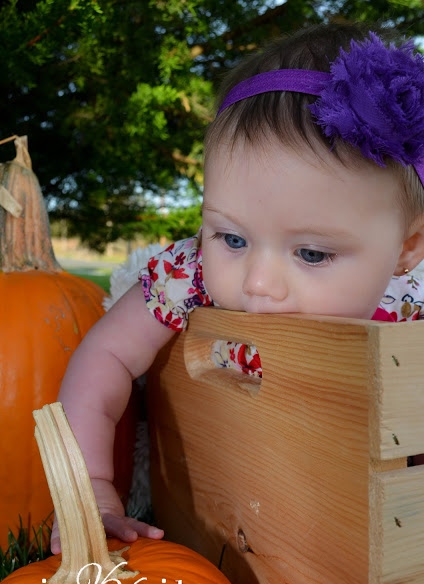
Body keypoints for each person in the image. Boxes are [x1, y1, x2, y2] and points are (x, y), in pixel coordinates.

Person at [53, 22, 424, 553]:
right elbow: (103, 355)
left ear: (408, 248)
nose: (258, 283)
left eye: (312, 253)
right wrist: (89, 484)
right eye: (231, 237)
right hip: (239, 508)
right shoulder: (192, 276)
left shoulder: (410, 304)